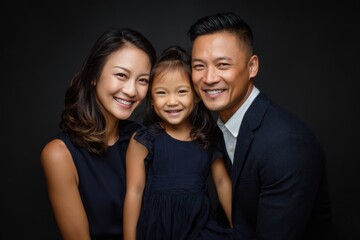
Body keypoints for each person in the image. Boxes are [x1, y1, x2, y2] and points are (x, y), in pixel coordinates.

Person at [188, 12, 336, 239]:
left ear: (252, 66)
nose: (208, 78)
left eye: (222, 64)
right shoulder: (218, 128)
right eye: (199, 66)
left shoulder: (286, 144)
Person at [40, 28, 156, 240]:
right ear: (93, 76)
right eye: (121, 75)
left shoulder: (145, 139)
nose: (131, 91)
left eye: (143, 80)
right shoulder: (60, 154)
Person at [123, 46, 233, 240]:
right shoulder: (143, 140)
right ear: (151, 101)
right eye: (162, 93)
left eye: (182, 91)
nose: (172, 101)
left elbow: (222, 182)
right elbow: (134, 192)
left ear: (197, 95)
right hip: (158, 227)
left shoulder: (208, 136)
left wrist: (236, 227)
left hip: (199, 225)